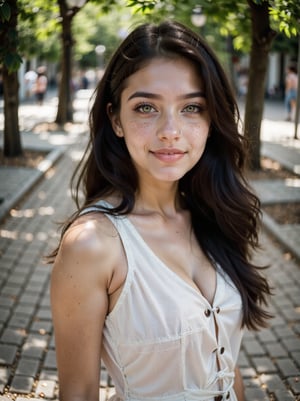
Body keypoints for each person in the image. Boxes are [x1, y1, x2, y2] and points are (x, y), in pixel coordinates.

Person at [49, 20, 272, 401]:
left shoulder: (213, 215)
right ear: (116, 119)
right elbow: (79, 392)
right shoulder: (93, 245)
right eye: (147, 107)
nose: (170, 130)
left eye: (191, 107)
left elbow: (226, 364)